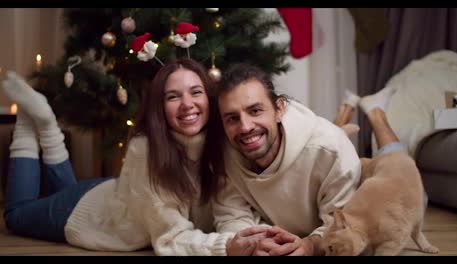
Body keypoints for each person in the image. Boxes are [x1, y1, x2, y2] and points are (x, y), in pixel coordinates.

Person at [1, 58, 267, 255]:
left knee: (64, 191)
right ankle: (33, 122)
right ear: (160, 107)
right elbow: (170, 237)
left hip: (114, 195)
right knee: (15, 214)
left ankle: (46, 128)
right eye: (173, 96)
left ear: (209, 98)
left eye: (196, 92)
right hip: (89, 216)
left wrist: (245, 239)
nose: (187, 104)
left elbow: (230, 210)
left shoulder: (224, 142)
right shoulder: (146, 149)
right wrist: (227, 246)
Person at [210, 63, 362, 256]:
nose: (245, 127)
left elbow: (344, 223)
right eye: (232, 118)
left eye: (255, 111)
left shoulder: (331, 150)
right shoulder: (226, 154)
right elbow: (231, 215)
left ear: (279, 109)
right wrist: (252, 244)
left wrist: (310, 246)